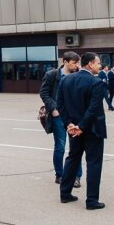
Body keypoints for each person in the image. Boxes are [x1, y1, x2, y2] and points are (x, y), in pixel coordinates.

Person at [57, 52, 107, 210]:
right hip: (92, 130)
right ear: (90, 64)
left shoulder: (66, 80)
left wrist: (69, 124)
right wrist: (81, 126)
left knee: (72, 158)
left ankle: (65, 194)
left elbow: (61, 104)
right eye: (98, 63)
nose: (99, 66)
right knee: (93, 163)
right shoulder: (96, 82)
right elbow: (93, 109)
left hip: (74, 130)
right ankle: (91, 201)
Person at [39, 51, 83, 187]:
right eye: (74, 62)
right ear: (65, 62)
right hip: (58, 116)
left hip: (74, 116)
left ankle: (76, 177)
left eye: (78, 63)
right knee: (60, 147)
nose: (77, 65)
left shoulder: (78, 75)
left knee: (75, 147)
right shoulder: (52, 75)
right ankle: (60, 175)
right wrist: (53, 109)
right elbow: (44, 93)